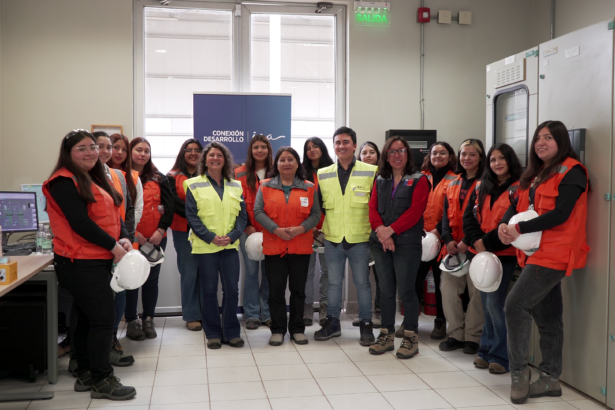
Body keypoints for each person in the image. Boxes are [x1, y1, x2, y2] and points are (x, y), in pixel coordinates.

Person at [498, 121, 589, 404]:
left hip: (555, 254)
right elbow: (517, 206)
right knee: (547, 317)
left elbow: (561, 213)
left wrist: (519, 230)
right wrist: (504, 225)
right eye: (538, 138)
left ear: (561, 142)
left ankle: (518, 374)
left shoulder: (572, 171)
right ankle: (550, 379)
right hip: (534, 253)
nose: (541, 143)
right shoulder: (535, 175)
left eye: (548, 138)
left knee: (515, 305)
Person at [43, 129, 136, 400]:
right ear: (68, 153)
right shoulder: (63, 181)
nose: (90, 152)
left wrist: (124, 239)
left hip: (95, 259)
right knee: (104, 320)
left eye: (93, 147)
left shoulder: (93, 179)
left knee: (86, 318)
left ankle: (85, 372)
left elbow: (113, 216)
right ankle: (102, 380)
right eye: (82, 148)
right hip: (79, 261)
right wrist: (113, 246)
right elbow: (80, 223)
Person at [314, 126, 377, 346]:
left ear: (354, 145)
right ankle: (332, 323)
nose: (341, 146)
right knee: (333, 283)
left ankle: (366, 325)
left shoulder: (371, 172)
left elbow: (375, 205)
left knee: (362, 284)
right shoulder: (323, 174)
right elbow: (320, 207)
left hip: (359, 237)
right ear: (334, 146)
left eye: (346, 142)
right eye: (338, 142)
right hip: (332, 238)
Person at [367, 137, 429, 359]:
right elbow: (372, 208)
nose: (397, 155)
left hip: (407, 244)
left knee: (406, 290)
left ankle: (410, 337)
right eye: (392, 152)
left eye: (401, 150)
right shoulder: (380, 179)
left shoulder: (420, 179)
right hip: (382, 241)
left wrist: (390, 230)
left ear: (407, 153)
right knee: (385, 290)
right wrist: (383, 234)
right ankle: (386, 335)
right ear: (386, 156)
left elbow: (415, 211)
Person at [463, 143, 522, 374]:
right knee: (486, 305)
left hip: (504, 254)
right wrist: (477, 241)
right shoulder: (480, 186)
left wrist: (486, 243)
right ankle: (485, 351)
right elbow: (468, 217)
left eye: (502, 159)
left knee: (496, 306)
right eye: (493, 159)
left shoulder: (519, 188)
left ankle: (500, 355)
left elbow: (513, 223)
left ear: (510, 161)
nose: (497, 163)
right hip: (481, 255)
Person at [254, 147, 321, 346]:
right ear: (276, 164)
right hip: (275, 246)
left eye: (290, 159)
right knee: (275, 291)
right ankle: (277, 330)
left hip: (300, 246)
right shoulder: (265, 186)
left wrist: (302, 228)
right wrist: (275, 229)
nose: (286, 163)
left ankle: (297, 329)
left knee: (299, 290)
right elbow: (258, 212)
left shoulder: (308, 187)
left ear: (297, 163)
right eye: (282, 159)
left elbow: (316, 214)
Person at [184, 142, 248, 349]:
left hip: (229, 246)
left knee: (232, 291)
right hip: (206, 247)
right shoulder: (193, 184)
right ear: (205, 159)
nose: (215, 158)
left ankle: (231, 332)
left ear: (225, 159)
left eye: (219, 155)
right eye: (211, 155)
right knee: (209, 291)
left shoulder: (235, 185)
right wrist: (210, 237)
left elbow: (242, 216)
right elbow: (192, 216)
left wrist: (232, 236)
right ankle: (212, 333)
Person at [438, 139, 485, 354]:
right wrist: (447, 239)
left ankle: (473, 337)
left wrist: (467, 240)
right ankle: (455, 334)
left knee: (476, 293)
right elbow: (445, 217)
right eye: (463, 154)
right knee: (447, 290)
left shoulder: (485, 182)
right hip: (453, 248)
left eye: (472, 154)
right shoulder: (453, 182)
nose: (467, 158)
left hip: (475, 247)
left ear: (480, 157)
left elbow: (484, 217)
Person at [125, 137, 174, 341]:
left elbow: (169, 208)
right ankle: (131, 321)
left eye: (146, 150)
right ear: (131, 152)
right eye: (138, 150)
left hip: (155, 238)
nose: (143, 154)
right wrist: (133, 233)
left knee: (151, 280)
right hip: (131, 237)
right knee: (131, 280)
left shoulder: (159, 178)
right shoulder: (122, 177)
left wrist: (161, 231)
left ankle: (148, 319)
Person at [94, 131, 136, 367]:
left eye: (108, 146)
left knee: (119, 290)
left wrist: (126, 237)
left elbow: (125, 211)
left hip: (119, 244)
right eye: (100, 146)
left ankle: (111, 341)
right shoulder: (83, 176)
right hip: (97, 247)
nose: (106, 151)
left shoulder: (118, 175)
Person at [414, 142, 458, 339]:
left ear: (450, 156)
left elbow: (454, 211)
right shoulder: (421, 177)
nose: (438, 156)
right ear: (429, 156)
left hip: (443, 239)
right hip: (420, 238)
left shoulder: (456, 179)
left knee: (441, 284)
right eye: (434, 153)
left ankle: (440, 321)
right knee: (414, 281)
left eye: (443, 153)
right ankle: (411, 322)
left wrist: (438, 231)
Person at [235, 135, 273, 330]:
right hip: (247, 230)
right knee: (251, 272)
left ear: (268, 149)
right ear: (251, 150)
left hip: (272, 231)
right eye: (256, 147)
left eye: (263, 147)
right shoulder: (239, 173)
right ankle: (251, 314)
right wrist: (248, 225)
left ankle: (266, 313)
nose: (260, 150)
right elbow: (237, 203)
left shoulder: (277, 171)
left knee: (268, 273)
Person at [167, 139, 204, 331]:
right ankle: (191, 315)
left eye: (197, 150)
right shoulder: (172, 176)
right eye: (188, 150)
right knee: (189, 273)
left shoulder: (208, 175)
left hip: (207, 232)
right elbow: (173, 202)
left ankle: (206, 313)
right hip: (184, 231)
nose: (193, 153)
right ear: (182, 153)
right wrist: (198, 215)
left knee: (206, 274)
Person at [302, 137, 333, 326]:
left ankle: (325, 306)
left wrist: (325, 227)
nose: (312, 150)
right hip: (307, 228)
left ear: (322, 148)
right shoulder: (301, 172)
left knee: (328, 271)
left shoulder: (333, 170)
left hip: (329, 228)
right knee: (307, 271)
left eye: (315, 146)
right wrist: (310, 226)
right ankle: (306, 306)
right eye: (308, 148)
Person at [354, 141, 382, 328]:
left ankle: (379, 313)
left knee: (381, 275)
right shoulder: (356, 178)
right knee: (362, 277)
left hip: (380, 233)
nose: (368, 155)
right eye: (364, 152)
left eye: (372, 152)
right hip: (361, 232)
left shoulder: (385, 178)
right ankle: (365, 313)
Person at [109, 133, 143, 231]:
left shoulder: (133, 176)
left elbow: (138, 209)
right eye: (116, 147)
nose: (120, 152)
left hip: (127, 233)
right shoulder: (98, 174)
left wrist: (125, 231)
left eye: (124, 150)